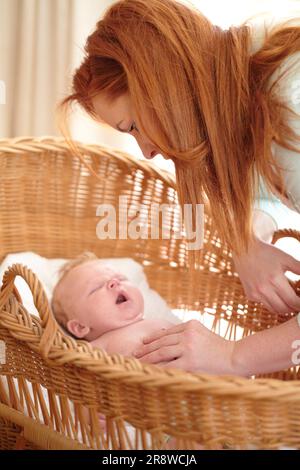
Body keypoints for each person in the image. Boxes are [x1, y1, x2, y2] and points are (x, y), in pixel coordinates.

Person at [57, 0, 300, 375]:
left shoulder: (287, 107)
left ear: (160, 83)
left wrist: (236, 355)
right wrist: (245, 241)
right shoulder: (250, 65)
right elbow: (272, 186)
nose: (148, 152)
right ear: (79, 329)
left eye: (132, 126)